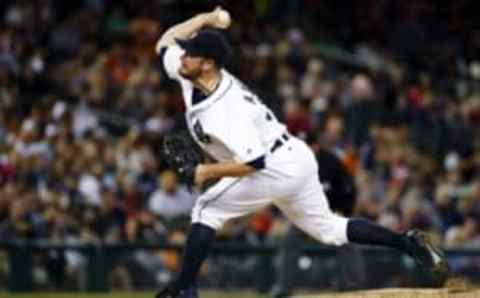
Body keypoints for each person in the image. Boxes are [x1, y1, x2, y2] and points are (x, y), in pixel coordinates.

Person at [153, 7, 448, 298]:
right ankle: (406, 242)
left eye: (191, 53)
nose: (183, 56)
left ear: (207, 63)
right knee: (330, 229)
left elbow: (255, 162)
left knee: (207, 209)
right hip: (294, 156)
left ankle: (183, 289)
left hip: (272, 164)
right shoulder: (189, 73)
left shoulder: (228, 110)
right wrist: (207, 19)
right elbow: (165, 41)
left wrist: (206, 171)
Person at [270, 146, 366, 297]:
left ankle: (354, 288)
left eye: (309, 144)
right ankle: (283, 289)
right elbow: (283, 190)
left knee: (346, 240)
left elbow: (348, 188)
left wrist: (345, 211)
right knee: (289, 240)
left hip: (332, 213)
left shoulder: (330, 161)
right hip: (306, 215)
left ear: (316, 145)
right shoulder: (294, 162)